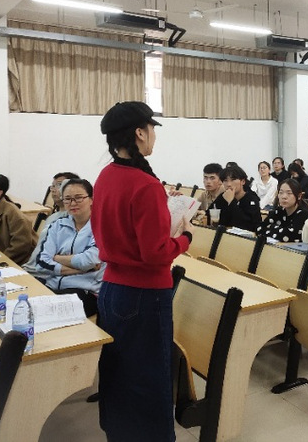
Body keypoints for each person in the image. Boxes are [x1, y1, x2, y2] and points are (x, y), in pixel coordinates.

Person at [91, 101, 193, 442]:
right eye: (151, 130)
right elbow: (155, 253)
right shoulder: (145, 184)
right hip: (144, 294)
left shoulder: (105, 176)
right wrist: (185, 238)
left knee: (118, 371)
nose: (153, 137)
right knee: (150, 375)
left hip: (111, 289)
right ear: (139, 132)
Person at [29, 179, 103, 317]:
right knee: (22, 303)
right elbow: (41, 263)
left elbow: (88, 260)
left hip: (85, 291)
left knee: (39, 314)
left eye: (78, 198)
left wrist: (56, 258)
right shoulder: (57, 225)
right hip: (52, 284)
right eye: (67, 199)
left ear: (91, 199)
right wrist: (81, 269)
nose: (73, 203)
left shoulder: (101, 226)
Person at [215, 165, 262, 232]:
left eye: (233, 180)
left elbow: (246, 225)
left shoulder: (252, 199)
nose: (229, 184)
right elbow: (212, 212)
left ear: (243, 181)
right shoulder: (223, 196)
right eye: (225, 180)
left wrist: (231, 201)